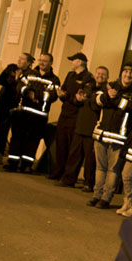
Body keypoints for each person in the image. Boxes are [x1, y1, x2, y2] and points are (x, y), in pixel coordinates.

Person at [87, 62, 132, 209]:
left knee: (113, 170)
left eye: (131, 73)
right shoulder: (109, 87)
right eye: (125, 72)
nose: (128, 75)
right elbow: (94, 102)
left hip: (119, 138)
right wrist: (107, 96)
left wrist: (115, 99)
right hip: (101, 134)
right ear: (121, 74)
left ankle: (106, 198)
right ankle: (96, 195)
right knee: (100, 168)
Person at [5, 53, 60, 172]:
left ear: (51, 63)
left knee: (33, 141)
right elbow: (20, 86)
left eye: (45, 61)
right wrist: (28, 92)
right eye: (40, 60)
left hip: (39, 116)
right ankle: (13, 163)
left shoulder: (54, 80)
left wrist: (36, 95)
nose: (42, 63)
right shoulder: (29, 74)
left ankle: (26, 165)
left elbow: (53, 95)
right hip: (23, 112)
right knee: (17, 138)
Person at [59, 66, 109, 191]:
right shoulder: (88, 87)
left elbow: (98, 106)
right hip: (80, 126)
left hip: (93, 129)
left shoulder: (106, 91)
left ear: (107, 77)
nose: (100, 76)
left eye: (103, 74)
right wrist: (77, 98)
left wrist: (89, 99)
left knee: (90, 160)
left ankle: (89, 183)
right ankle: (69, 179)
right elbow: (77, 101)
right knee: (74, 155)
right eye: (98, 73)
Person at [50, 52, 94, 181]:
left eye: (73, 60)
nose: (71, 62)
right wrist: (62, 95)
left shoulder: (87, 78)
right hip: (64, 114)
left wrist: (68, 97)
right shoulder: (70, 75)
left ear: (80, 62)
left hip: (76, 117)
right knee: (61, 145)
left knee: (72, 148)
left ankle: (68, 175)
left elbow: (80, 99)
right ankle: (58, 171)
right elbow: (65, 91)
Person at [0, 63, 20, 164]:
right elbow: (0, 81)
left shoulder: (26, 74)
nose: (19, 61)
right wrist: (7, 71)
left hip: (15, 107)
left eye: (22, 59)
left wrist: (17, 79)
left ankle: (13, 157)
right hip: (3, 106)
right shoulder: (11, 71)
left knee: (15, 132)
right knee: (2, 131)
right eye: (19, 59)